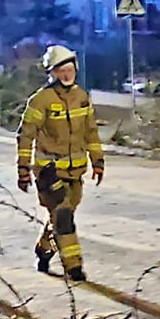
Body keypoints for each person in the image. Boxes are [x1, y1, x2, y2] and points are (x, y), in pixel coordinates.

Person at [17, 45, 105, 283]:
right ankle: (73, 267)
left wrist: (98, 161)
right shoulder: (41, 100)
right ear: (52, 73)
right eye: (61, 70)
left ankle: (44, 249)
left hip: (75, 172)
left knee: (60, 217)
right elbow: (26, 135)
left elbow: (91, 132)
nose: (67, 74)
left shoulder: (81, 97)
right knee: (64, 216)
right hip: (49, 172)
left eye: (70, 69)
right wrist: (24, 169)